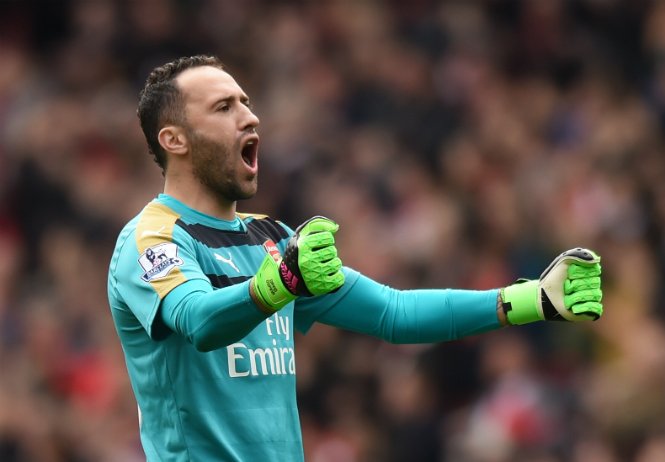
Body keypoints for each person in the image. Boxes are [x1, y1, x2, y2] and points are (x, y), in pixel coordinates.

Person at [107, 55, 603, 461]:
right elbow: (198, 320)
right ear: (174, 139)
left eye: (246, 103)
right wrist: (278, 285)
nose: (249, 117)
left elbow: (394, 313)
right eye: (223, 107)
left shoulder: (271, 239)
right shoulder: (152, 239)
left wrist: (532, 299)